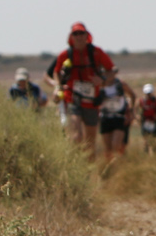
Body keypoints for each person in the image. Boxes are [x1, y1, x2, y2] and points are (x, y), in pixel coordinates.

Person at [45, 23, 115, 158]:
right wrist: (57, 87)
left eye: (81, 33)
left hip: (92, 101)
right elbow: (56, 72)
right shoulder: (66, 54)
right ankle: (74, 164)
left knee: (90, 143)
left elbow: (111, 70)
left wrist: (102, 79)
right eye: (75, 34)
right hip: (73, 99)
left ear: (86, 35)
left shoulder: (96, 52)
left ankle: (89, 173)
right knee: (76, 137)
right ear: (71, 36)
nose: (78, 37)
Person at [97, 68, 137, 162]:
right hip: (105, 117)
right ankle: (109, 168)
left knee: (116, 145)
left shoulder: (121, 84)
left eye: (110, 72)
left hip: (119, 117)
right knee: (107, 148)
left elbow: (132, 95)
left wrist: (131, 109)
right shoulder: (99, 85)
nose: (108, 74)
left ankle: (120, 164)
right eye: (106, 72)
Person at [139, 83, 156, 154]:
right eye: (147, 93)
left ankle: (155, 153)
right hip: (145, 121)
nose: (148, 95)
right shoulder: (142, 101)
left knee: (153, 139)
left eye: (149, 93)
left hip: (153, 122)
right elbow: (136, 109)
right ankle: (146, 153)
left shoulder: (155, 100)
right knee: (146, 139)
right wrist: (138, 117)